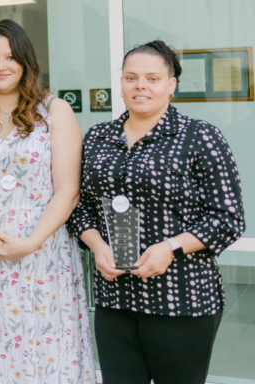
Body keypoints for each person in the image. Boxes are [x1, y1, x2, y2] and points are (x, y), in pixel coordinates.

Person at [68, 40, 245, 384]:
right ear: (121, 82)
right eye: (131, 77)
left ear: (171, 84)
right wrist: (97, 246)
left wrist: (171, 247)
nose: (141, 86)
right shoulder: (97, 137)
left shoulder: (200, 137)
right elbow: (80, 207)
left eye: (152, 78)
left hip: (181, 299)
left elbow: (228, 218)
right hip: (115, 297)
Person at [0, 19, 96, 383]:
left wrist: (31, 242)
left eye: (10, 56)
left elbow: (68, 189)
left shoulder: (54, 112)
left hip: (43, 255)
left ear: (26, 61)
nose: (0, 65)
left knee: (47, 356)